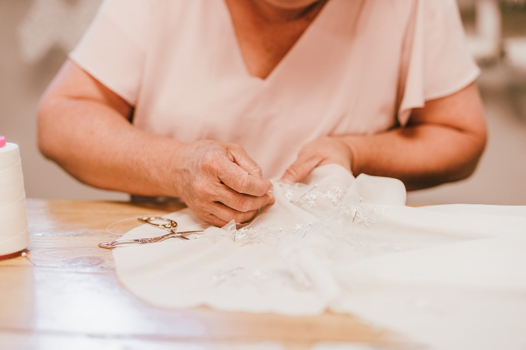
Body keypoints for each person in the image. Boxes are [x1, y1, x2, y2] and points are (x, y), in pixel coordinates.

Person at [37, 0, 487, 226]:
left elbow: (460, 134)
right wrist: (174, 167)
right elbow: (61, 118)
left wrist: (353, 151)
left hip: (344, 268)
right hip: (171, 261)